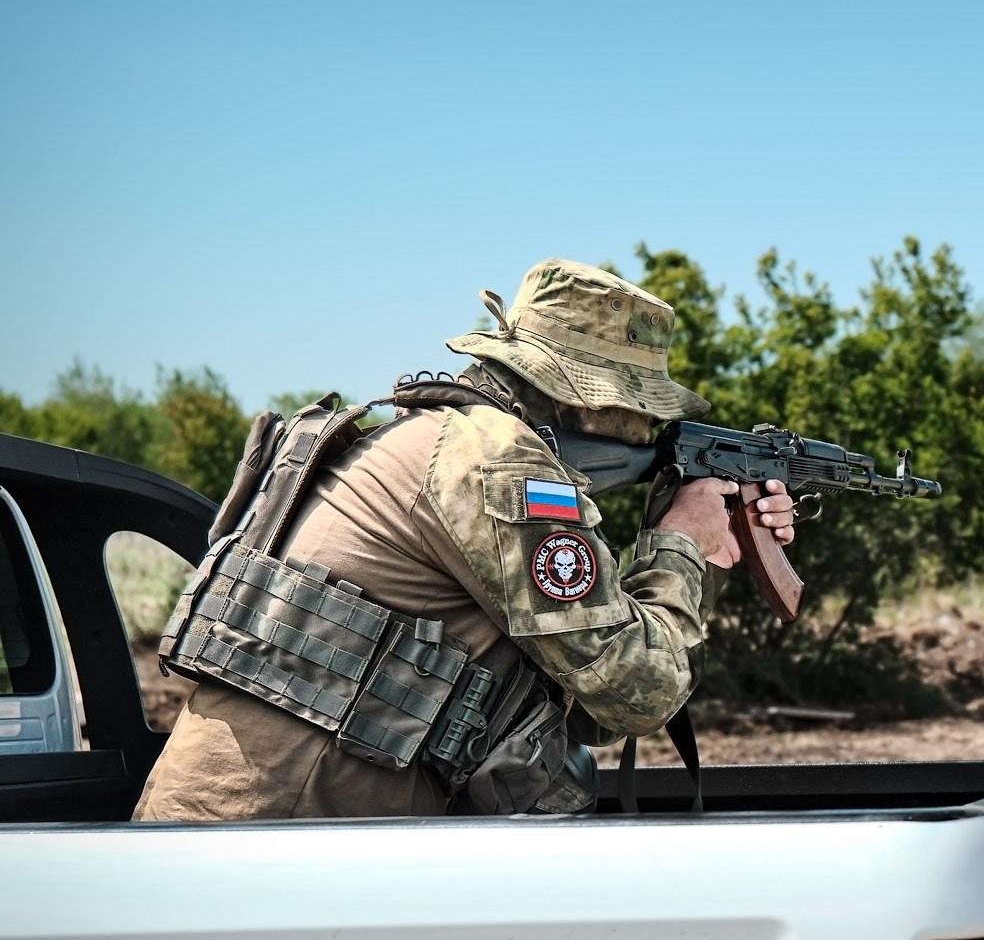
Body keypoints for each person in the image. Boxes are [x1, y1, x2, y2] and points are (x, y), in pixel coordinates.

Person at [136, 258, 799, 821]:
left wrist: (702, 548)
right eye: (637, 410)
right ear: (589, 399)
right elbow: (635, 689)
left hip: (251, 838)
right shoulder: (499, 462)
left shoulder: (433, 435)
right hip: (266, 850)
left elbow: (572, 697)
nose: (643, 433)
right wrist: (681, 541)